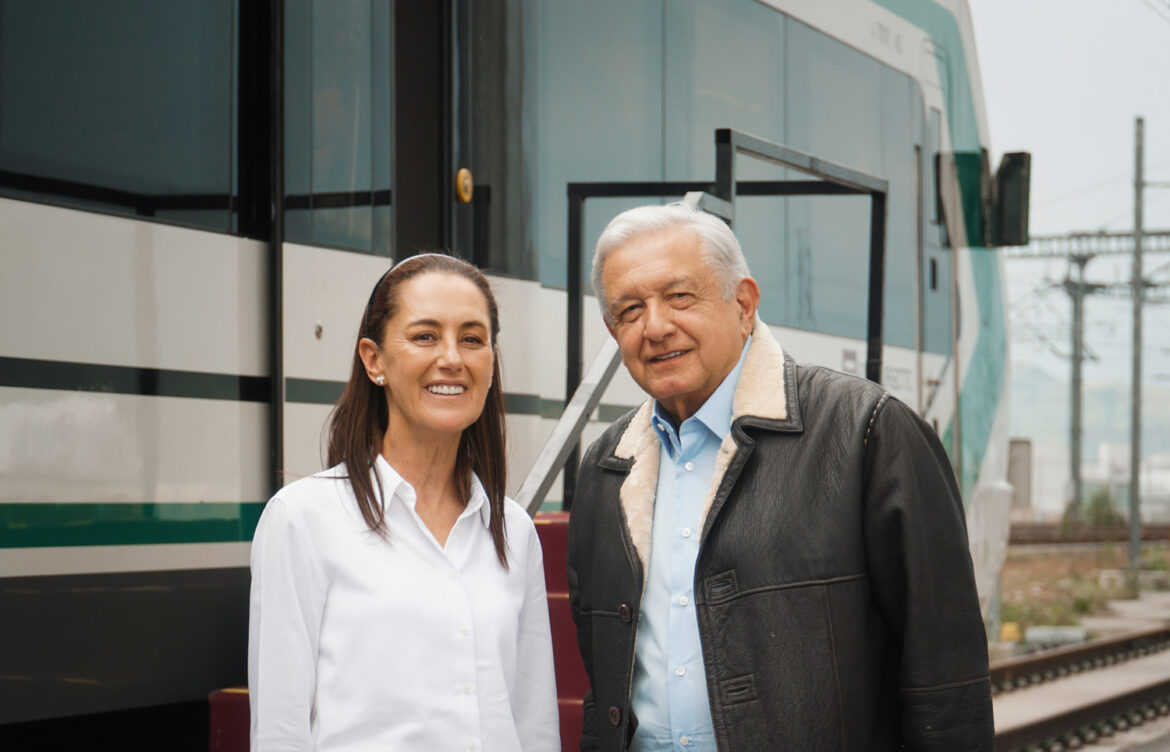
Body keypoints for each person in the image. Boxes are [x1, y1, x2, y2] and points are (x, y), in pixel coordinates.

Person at [566, 204, 993, 751]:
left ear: (743, 304)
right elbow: (603, 685)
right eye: (630, 310)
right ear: (612, 330)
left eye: (680, 297)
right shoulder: (607, 465)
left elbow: (947, 680)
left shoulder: (866, 431)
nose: (655, 327)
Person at [249, 253, 560, 751]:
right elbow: (281, 730)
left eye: (473, 339)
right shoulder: (303, 519)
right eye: (425, 336)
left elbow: (534, 720)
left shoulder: (512, 529)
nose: (452, 358)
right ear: (374, 361)